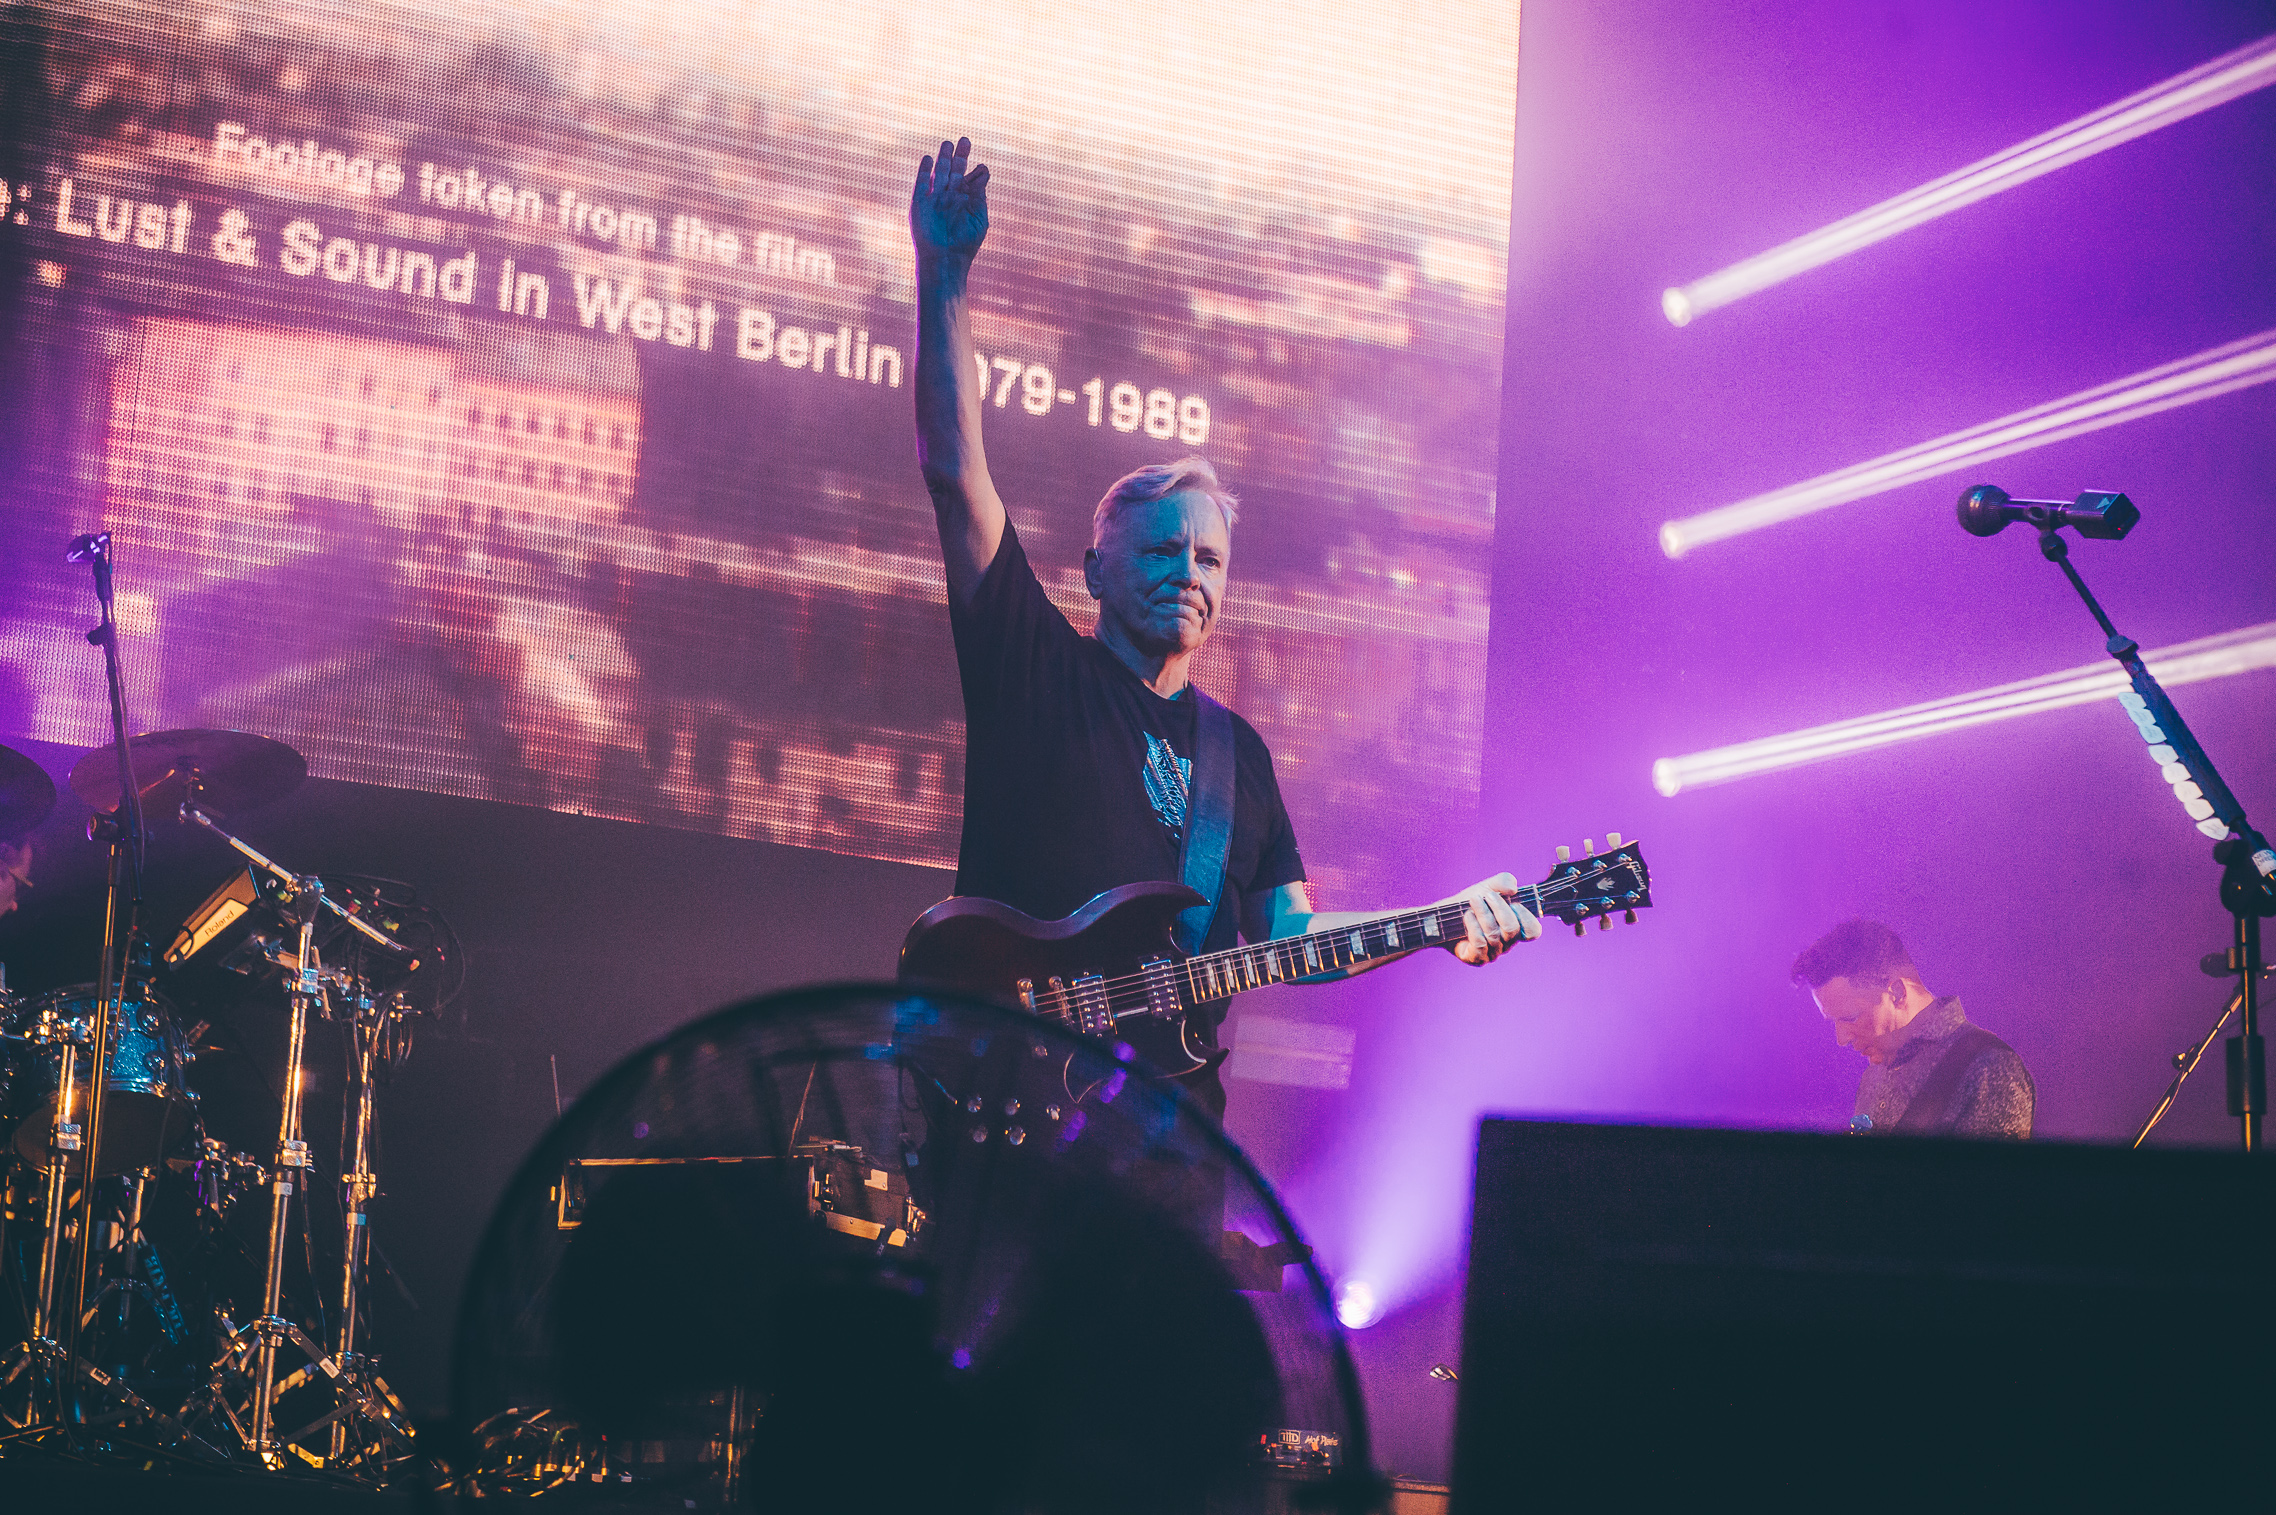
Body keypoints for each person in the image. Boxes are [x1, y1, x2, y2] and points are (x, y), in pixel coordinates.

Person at [909, 137, 1538, 1119]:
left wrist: (1440, 924)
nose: (1187, 575)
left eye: (1207, 559)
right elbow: (956, 477)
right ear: (1093, 571)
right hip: (1004, 1103)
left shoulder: (1234, 753)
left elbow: (1289, 935)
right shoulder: (1035, 670)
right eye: (1160, 553)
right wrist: (943, 277)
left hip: (1168, 1134)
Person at [1792, 919, 2033, 1138]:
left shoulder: (1989, 1067)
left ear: (1896, 993)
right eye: (1834, 1022)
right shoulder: (1873, 1076)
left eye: (1851, 1017)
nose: (1841, 1038)